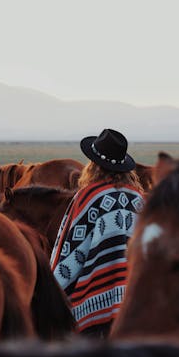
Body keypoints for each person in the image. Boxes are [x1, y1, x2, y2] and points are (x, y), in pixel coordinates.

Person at [50, 128, 145, 338]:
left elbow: (72, 250)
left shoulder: (88, 197)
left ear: (93, 165)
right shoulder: (139, 199)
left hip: (94, 301)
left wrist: (53, 289)